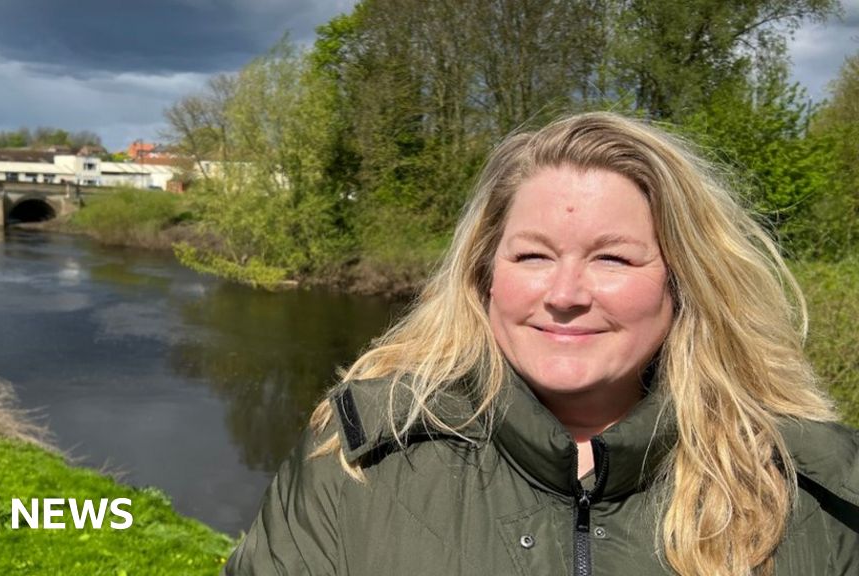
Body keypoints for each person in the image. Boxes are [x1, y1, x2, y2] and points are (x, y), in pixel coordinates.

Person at [223, 112, 859, 575]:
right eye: (532, 255)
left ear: (684, 282)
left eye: (612, 259)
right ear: (485, 274)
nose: (564, 293)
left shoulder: (811, 490)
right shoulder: (361, 450)